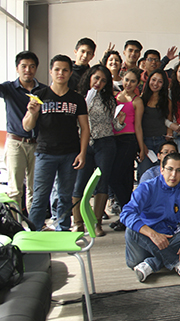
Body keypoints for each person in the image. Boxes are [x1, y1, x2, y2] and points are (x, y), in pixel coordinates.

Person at [23, 55, 90, 231]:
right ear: (51, 71)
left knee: (65, 196)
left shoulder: (77, 99)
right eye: (57, 69)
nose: (61, 73)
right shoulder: (39, 95)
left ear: (70, 73)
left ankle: (62, 229)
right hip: (45, 153)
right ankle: (34, 231)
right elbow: (27, 126)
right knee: (40, 196)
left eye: (65, 70)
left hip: (70, 154)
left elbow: (85, 128)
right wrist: (32, 113)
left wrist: (82, 153)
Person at [121, 153, 180, 282]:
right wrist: (152, 234)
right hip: (143, 244)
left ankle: (152, 263)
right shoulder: (147, 188)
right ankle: (177, 262)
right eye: (170, 169)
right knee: (131, 229)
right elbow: (126, 213)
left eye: (178, 171)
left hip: (168, 239)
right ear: (161, 170)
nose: (173, 175)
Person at [71, 65, 123, 236]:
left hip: (105, 143)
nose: (98, 82)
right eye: (96, 78)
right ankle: (78, 223)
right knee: (80, 182)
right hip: (83, 144)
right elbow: (76, 120)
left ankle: (97, 223)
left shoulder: (109, 99)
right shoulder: (78, 97)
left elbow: (113, 124)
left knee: (102, 182)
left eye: (103, 80)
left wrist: (120, 122)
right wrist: (87, 98)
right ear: (89, 77)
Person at [1, 51, 46, 212]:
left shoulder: (43, 90)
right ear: (17, 68)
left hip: (38, 144)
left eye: (32, 66)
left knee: (35, 190)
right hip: (16, 143)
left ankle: (34, 226)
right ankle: (16, 226)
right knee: (15, 190)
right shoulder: (8, 88)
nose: (28, 70)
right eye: (24, 66)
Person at [110, 68, 147, 212]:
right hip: (114, 140)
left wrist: (141, 147)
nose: (129, 84)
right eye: (126, 80)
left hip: (129, 141)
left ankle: (127, 210)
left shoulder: (137, 101)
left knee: (115, 178)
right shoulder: (115, 97)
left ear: (138, 84)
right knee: (124, 178)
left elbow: (138, 126)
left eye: (133, 81)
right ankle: (128, 214)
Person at [138, 69, 176, 179]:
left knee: (163, 174)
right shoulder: (142, 99)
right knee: (145, 175)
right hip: (146, 142)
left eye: (160, 81)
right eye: (153, 80)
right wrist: (141, 145)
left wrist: (169, 135)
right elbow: (138, 124)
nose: (155, 84)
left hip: (161, 141)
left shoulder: (167, 101)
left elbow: (169, 120)